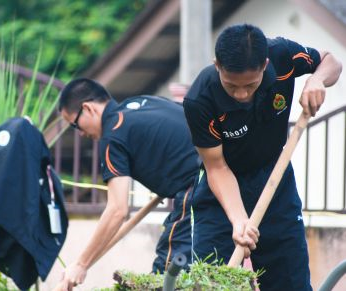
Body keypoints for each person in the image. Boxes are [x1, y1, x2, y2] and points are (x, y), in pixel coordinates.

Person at [183, 24, 342, 291]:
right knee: (210, 281)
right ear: (217, 65)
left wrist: (317, 79)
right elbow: (217, 167)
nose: (242, 94)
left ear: (265, 64)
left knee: (290, 282)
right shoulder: (200, 99)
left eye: (252, 85)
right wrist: (239, 220)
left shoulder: (282, 56)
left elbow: (331, 62)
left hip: (275, 179)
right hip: (221, 193)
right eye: (232, 86)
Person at [56, 78, 201, 290]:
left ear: (87, 108)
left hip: (200, 182)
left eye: (75, 124)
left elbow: (117, 210)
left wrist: (80, 264)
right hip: (216, 175)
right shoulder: (141, 103)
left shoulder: (113, 135)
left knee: (168, 268)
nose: (80, 133)